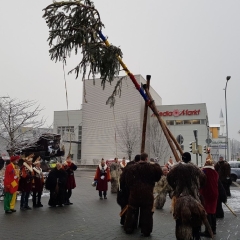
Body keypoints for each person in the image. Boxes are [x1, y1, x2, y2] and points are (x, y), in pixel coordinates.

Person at [167, 152, 208, 240]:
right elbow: (204, 179)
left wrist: (175, 187)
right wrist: (197, 187)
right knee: (196, 216)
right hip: (194, 196)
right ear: (190, 159)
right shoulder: (195, 168)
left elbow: (169, 177)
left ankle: (182, 236)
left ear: (182, 158)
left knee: (180, 217)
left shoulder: (177, 168)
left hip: (180, 196)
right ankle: (196, 235)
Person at [123, 152, 162, 237]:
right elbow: (159, 174)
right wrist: (154, 164)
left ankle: (129, 228)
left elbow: (128, 180)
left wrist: (132, 187)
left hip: (135, 193)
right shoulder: (151, 168)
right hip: (147, 194)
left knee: (132, 210)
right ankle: (146, 231)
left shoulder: (133, 168)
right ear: (146, 158)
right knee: (147, 212)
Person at [117, 154, 141, 226]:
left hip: (124, 191)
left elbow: (122, 180)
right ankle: (131, 222)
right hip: (130, 191)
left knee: (124, 206)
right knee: (132, 207)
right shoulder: (134, 168)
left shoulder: (127, 167)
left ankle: (123, 220)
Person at [200, 158, 219, 237]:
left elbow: (200, 181)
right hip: (214, 194)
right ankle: (213, 229)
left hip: (206, 194)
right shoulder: (215, 172)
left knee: (207, 212)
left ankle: (208, 231)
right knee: (213, 211)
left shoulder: (204, 171)